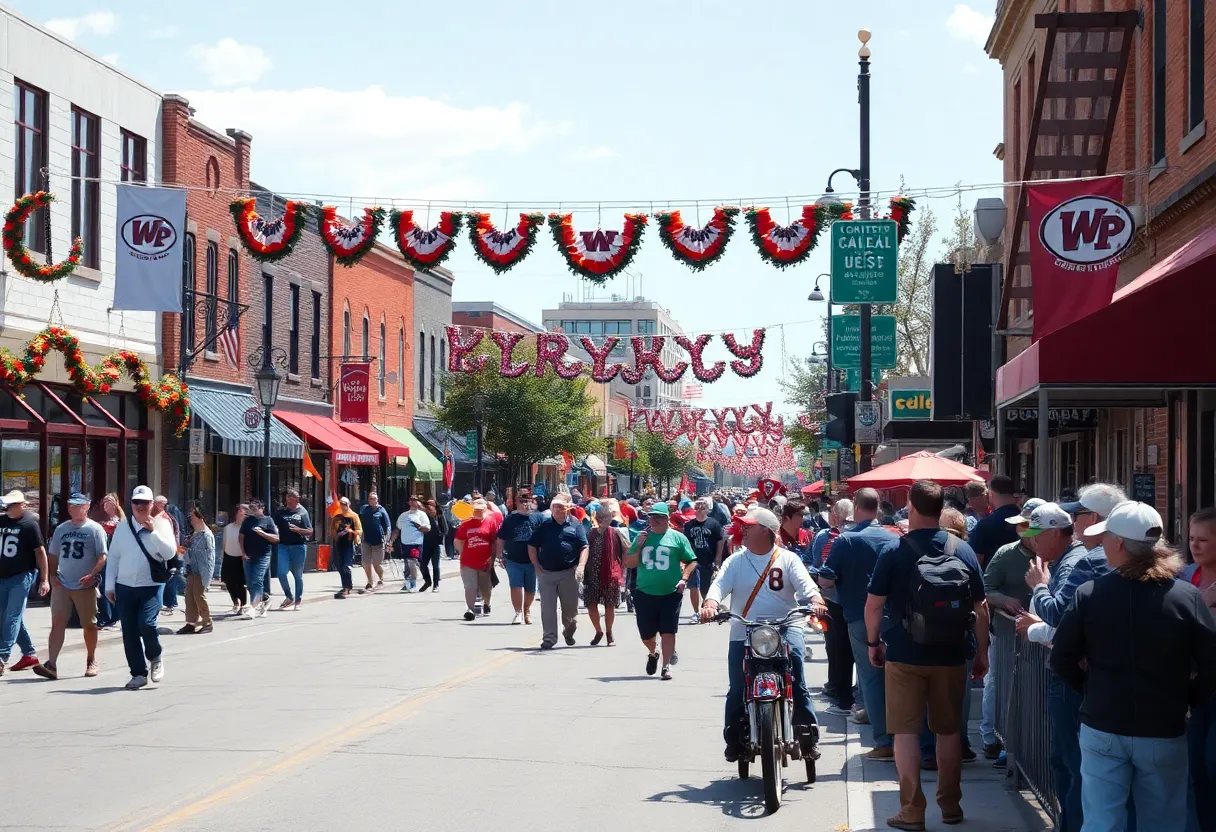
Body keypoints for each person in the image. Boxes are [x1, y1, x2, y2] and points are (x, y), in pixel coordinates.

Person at [1051, 501, 1216, 832]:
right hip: (1163, 726)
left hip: (1103, 723)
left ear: (1120, 544)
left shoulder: (1090, 594)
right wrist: (1184, 700)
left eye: (1107, 537)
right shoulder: (1186, 597)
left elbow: (1061, 659)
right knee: (1163, 822)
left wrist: (1091, 690)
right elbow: (1211, 666)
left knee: (1102, 821)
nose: (1103, 544)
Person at [864, 480, 989, 830]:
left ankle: (912, 810)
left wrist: (874, 644)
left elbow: (873, 606)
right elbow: (980, 608)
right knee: (947, 732)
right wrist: (982, 654)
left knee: (905, 733)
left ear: (911, 506)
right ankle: (950, 806)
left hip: (904, 653)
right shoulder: (961, 549)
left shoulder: (894, 551)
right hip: (951, 653)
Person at [1013, 501, 1110, 832]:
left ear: (1056, 533)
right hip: (1070, 673)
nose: (1032, 542)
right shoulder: (1070, 560)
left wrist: (1039, 587)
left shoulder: (1071, 566)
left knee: (1073, 764)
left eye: (1037, 534)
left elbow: (1058, 618)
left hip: (1072, 678)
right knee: (1065, 761)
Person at [701, 506, 827, 760]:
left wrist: (816, 600)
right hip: (745, 629)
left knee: (797, 676)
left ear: (766, 531)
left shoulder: (788, 559)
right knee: (737, 686)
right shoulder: (735, 560)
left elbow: (806, 585)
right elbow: (719, 584)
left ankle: (807, 735)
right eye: (743, 526)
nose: (742, 530)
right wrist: (711, 603)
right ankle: (734, 737)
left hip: (785, 626)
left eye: (749, 526)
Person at [818, 487, 900, 759]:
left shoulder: (846, 539)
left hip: (859, 615)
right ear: (878, 507)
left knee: (871, 677)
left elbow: (826, 579)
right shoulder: (893, 538)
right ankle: (902, 734)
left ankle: (884, 741)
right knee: (897, 677)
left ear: (855, 506)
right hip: (894, 616)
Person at [976, 496, 1044, 760]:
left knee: (1034, 690)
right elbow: (985, 588)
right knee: (998, 683)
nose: (1024, 530)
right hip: (1007, 634)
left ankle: (1026, 746)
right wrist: (1005, 601)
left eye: (1029, 525)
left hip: (1040, 637)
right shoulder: (1006, 554)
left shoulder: (1055, 555)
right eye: (1021, 525)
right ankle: (991, 736)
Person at [106, 485, 176, 690]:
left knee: (147, 624)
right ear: (131, 505)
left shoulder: (162, 524)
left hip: (151, 585)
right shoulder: (123, 527)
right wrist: (110, 585)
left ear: (152, 504)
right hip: (125, 586)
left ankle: (155, 656)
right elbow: (114, 557)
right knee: (128, 631)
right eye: (137, 503)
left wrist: (152, 532)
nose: (140, 507)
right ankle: (137, 673)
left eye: (145, 503)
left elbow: (170, 553)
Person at [34, 492, 105, 680]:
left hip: (84, 584)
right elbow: (53, 554)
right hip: (62, 583)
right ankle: (51, 664)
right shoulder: (61, 529)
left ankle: (91, 660)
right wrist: (51, 575)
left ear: (87, 506)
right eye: (71, 505)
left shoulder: (95, 529)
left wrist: (93, 574)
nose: (73, 509)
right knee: (57, 623)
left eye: (78, 505)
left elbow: (102, 556)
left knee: (89, 625)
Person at [623, 502, 697, 680]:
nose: (654, 520)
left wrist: (684, 578)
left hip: (671, 593)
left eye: (658, 516)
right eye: (651, 516)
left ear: (667, 519)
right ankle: (653, 652)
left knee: (668, 631)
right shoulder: (642, 537)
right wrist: (639, 546)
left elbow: (692, 560)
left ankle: (665, 666)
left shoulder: (677, 538)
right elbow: (629, 563)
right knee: (646, 634)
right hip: (644, 592)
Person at [1185, 508, 1216, 832]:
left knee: (1212, 763)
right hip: (1193, 689)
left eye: (1204, 540)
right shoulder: (1185, 576)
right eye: (1192, 538)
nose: (1195, 545)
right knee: (1194, 767)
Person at [812, 498, 856, 714]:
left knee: (836, 647)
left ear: (837, 516)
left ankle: (840, 691)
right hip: (859, 601)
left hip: (832, 599)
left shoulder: (829, 538)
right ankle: (850, 691)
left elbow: (821, 567)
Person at [528, 493, 588, 648]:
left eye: (560, 506)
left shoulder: (576, 525)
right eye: (554, 506)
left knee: (570, 612)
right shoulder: (544, 526)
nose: (557, 509)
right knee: (547, 608)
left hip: (568, 572)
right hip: (546, 573)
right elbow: (532, 545)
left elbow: (584, 547)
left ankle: (569, 632)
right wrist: (535, 565)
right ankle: (549, 638)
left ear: (567, 509)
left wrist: (581, 565)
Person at [0, 490, 47, 675]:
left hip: (21, 576)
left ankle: (2, 656)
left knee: (12, 616)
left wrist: (44, 579)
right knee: (6, 617)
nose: (8, 509)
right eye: (6, 505)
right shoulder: (2, 520)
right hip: (2, 576)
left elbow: (40, 553)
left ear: (21, 505)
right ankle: (29, 653)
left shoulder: (29, 524)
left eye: (12, 505)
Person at [584, 501, 628, 646]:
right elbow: (584, 551)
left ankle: (609, 633)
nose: (605, 522)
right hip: (593, 575)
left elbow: (627, 549)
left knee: (610, 605)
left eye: (608, 519)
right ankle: (598, 631)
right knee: (591, 605)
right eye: (602, 519)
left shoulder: (615, 533)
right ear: (597, 519)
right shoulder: (590, 534)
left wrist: (623, 568)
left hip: (611, 575)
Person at [497, 488, 542, 624]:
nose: (525, 504)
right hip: (513, 558)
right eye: (522, 501)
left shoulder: (538, 518)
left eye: (528, 501)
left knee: (530, 588)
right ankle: (518, 613)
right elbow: (501, 538)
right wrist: (499, 555)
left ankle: (527, 610)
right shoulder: (510, 519)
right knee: (515, 585)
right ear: (517, 502)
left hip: (532, 560)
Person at [455, 498, 501, 620]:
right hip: (468, 561)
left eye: (480, 510)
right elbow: (458, 541)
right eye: (475, 510)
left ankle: (487, 603)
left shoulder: (491, 522)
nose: (477, 512)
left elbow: (494, 541)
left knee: (485, 587)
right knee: (470, 586)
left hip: (485, 561)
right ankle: (470, 609)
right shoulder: (465, 524)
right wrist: (462, 552)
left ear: (485, 509)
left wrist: (493, 557)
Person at [682, 498, 725, 622]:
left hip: (708, 560)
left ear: (707, 509)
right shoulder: (689, 525)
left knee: (705, 588)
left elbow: (720, 541)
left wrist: (718, 559)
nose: (699, 510)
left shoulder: (714, 524)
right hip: (693, 560)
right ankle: (696, 612)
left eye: (702, 507)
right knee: (693, 585)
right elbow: (685, 542)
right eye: (697, 507)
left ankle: (707, 607)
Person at [967, 474, 1019, 566]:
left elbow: (976, 562)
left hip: (992, 577)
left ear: (991, 494)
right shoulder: (1027, 520)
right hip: (1026, 577)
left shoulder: (984, 525)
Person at [177, 507, 214, 635]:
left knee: (199, 595)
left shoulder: (207, 535)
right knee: (189, 596)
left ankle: (207, 621)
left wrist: (207, 574)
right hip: (192, 569)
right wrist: (185, 551)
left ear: (200, 518)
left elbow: (210, 557)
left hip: (201, 570)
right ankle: (191, 623)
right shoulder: (195, 534)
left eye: (193, 517)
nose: (191, 520)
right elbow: (192, 552)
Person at [273, 489, 312, 610]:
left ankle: (298, 600)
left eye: (291, 498)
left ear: (297, 500)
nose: (288, 500)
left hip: (298, 546)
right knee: (281, 572)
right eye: (287, 498)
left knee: (297, 575)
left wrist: (298, 530)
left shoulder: (303, 512)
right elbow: (272, 525)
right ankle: (289, 596)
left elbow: (310, 531)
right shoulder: (281, 512)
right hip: (283, 546)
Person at [239, 500, 279, 617]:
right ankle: (264, 601)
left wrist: (262, 533)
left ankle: (253, 607)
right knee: (250, 583)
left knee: (257, 580)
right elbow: (241, 537)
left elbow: (276, 538)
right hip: (248, 555)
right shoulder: (247, 521)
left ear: (262, 508)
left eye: (255, 508)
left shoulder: (268, 520)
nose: (252, 510)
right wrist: (243, 553)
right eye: (251, 508)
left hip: (263, 555)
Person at [94, 492, 123, 629]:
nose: (107, 505)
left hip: (115, 557)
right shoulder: (98, 518)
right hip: (101, 557)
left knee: (112, 586)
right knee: (102, 586)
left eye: (110, 502)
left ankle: (114, 616)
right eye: (105, 502)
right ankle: (104, 616)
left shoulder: (120, 520)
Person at [153, 495, 185, 615]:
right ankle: (170, 601)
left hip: (169, 551)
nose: (160, 507)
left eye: (161, 504)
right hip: (168, 550)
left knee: (171, 576)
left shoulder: (166, 518)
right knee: (172, 575)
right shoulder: (164, 517)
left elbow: (174, 533)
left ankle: (170, 602)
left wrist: (177, 548)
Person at [390, 495, 429, 593]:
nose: (412, 502)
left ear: (418, 502)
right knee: (409, 563)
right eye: (411, 500)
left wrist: (420, 527)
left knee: (412, 561)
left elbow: (428, 528)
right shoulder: (403, 515)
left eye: (415, 500)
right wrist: (390, 542)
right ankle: (409, 582)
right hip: (405, 543)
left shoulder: (422, 515)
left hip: (416, 542)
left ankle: (413, 585)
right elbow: (397, 530)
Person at [357, 492, 391, 593]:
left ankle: (381, 577)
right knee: (365, 563)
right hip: (366, 540)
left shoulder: (381, 511)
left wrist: (388, 540)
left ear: (377, 500)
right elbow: (358, 521)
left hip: (378, 541)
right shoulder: (364, 509)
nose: (372, 500)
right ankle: (370, 582)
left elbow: (388, 526)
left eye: (374, 499)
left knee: (377, 564)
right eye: (370, 498)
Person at [330, 497, 361, 599]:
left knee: (346, 566)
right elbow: (332, 530)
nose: (343, 506)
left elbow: (360, 531)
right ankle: (345, 586)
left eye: (345, 504)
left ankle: (347, 588)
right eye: (341, 504)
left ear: (348, 505)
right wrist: (336, 534)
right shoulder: (336, 517)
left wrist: (351, 532)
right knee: (339, 566)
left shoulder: (354, 516)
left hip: (349, 543)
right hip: (338, 544)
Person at [221, 505, 249, 614]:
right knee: (229, 582)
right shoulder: (228, 527)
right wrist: (222, 557)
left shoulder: (246, 528)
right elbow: (224, 544)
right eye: (240, 514)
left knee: (241, 583)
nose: (241, 516)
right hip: (228, 557)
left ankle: (243, 604)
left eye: (244, 514)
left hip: (240, 558)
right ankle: (235, 602)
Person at [419, 498, 446, 593]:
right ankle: (427, 581)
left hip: (436, 544)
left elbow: (445, 530)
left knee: (435, 565)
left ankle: (436, 585)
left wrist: (439, 533)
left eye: (432, 507)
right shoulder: (424, 517)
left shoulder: (439, 517)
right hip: (425, 544)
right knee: (422, 564)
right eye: (428, 506)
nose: (430, 509)